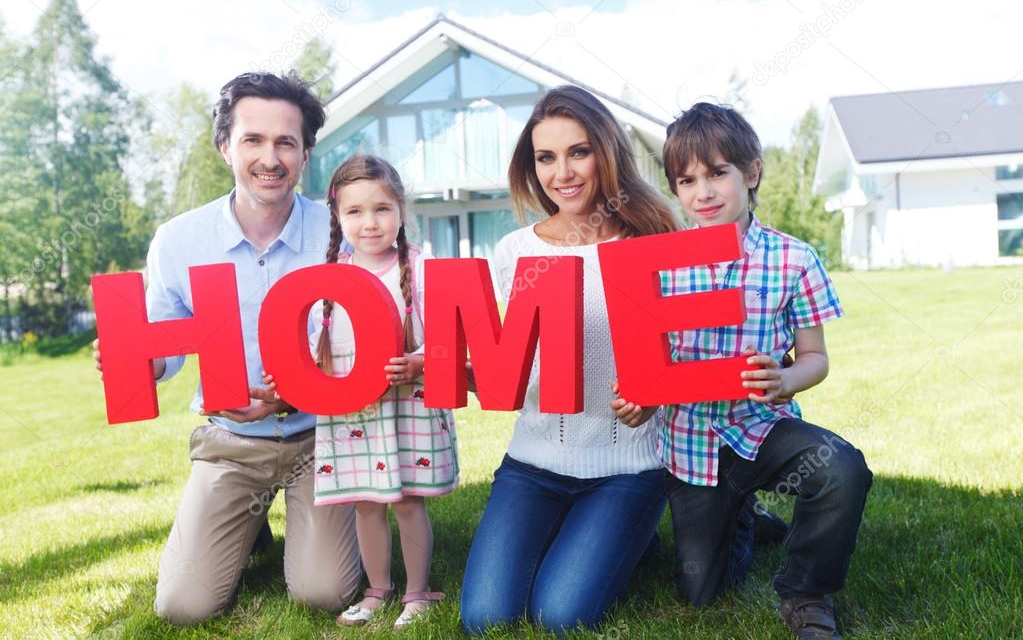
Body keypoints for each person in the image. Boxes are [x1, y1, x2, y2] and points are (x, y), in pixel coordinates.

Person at [92, 72, 361, 625]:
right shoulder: (179, 239)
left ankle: (305, 519)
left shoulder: (343, 232)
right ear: (225, 147)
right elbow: (166, 345)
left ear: (306, 153)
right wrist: (135, 357)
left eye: (286, 142)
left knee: (323, 591)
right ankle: (248, 518)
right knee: (182, 607)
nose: (270, 157)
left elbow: (372, 335)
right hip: (232, 441)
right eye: (253, 140)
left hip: (324, 438)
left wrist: (300, 386)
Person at [616, 102, 872, 639]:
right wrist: (639, 397)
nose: (702, 193)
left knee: (842, 468)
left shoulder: (793, 259)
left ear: (751, 172)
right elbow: (645, 362)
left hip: (761, 429)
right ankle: (747, 520)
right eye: (686, 181)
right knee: (701, 592)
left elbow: (815, 359)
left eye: (717, 173)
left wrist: (784, 380)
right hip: (690, 445)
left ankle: (806, 592)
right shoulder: (657, 263)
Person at [459, 85, 682, 635]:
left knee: (560, 617)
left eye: (578, 151)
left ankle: (628, 532)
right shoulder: (515, 251)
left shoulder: (653, 237)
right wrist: (458, 374)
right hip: (533, 464)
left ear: (606, 152)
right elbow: (511, 364)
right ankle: (587, 531)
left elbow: (688, 350)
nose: (563, 173)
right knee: (485, 619)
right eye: (546, 157)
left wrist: (655, 394)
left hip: (627, 468)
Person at [264, 155, 458, 630]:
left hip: (404, 402)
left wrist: (418, 363)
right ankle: (377, 589)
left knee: (407, 501)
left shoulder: (421, 268)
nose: (369, 223)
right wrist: (293, 377)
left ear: (401, 210)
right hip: (353, 411)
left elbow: (448, 347)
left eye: (381, 209)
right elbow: (318, 348)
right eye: (355, 212)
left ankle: (417, 592)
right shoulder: (331, 277)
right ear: (338, 217)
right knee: (366, 502)